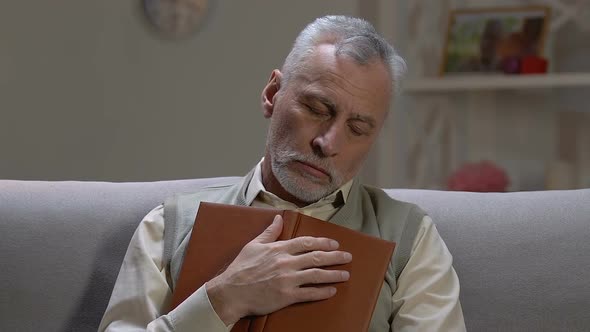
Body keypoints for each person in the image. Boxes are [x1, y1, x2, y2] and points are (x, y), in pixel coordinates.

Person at [99, 15, 466, 331]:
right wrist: (221, 300)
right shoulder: (169, 226)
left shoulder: (411, 239)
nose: (328, 142)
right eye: (318, 108)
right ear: (273, 93)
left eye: (357, 128)